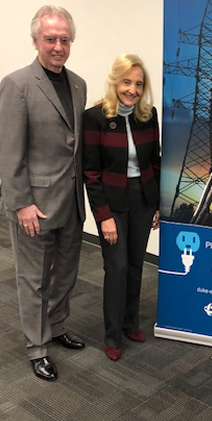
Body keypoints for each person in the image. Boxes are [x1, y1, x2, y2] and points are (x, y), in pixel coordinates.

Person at [0, 5, 87, 382]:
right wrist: (21, 203)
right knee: (33, 279)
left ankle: (57, 326)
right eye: (51, 39)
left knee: (65, 274)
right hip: (34, 205)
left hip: (70, 202)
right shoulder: (16, 85)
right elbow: (7, 150)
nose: (58, 46)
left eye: (64, 39)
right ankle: (37, 346)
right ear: (36, 41)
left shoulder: (78, 84)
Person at [83, 54, 160, 361]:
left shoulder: (147, 115)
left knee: (136, 264)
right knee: (116, 267)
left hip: (142, 198)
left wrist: (155, 205)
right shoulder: (95, 117)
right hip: (112, 201)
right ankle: (113, 335)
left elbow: (154, 160)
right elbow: (91, 172)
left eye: (138, 84)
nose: (132, 90)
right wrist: (103, 218)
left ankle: (130, 323)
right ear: (115, 81)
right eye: (127, 82)